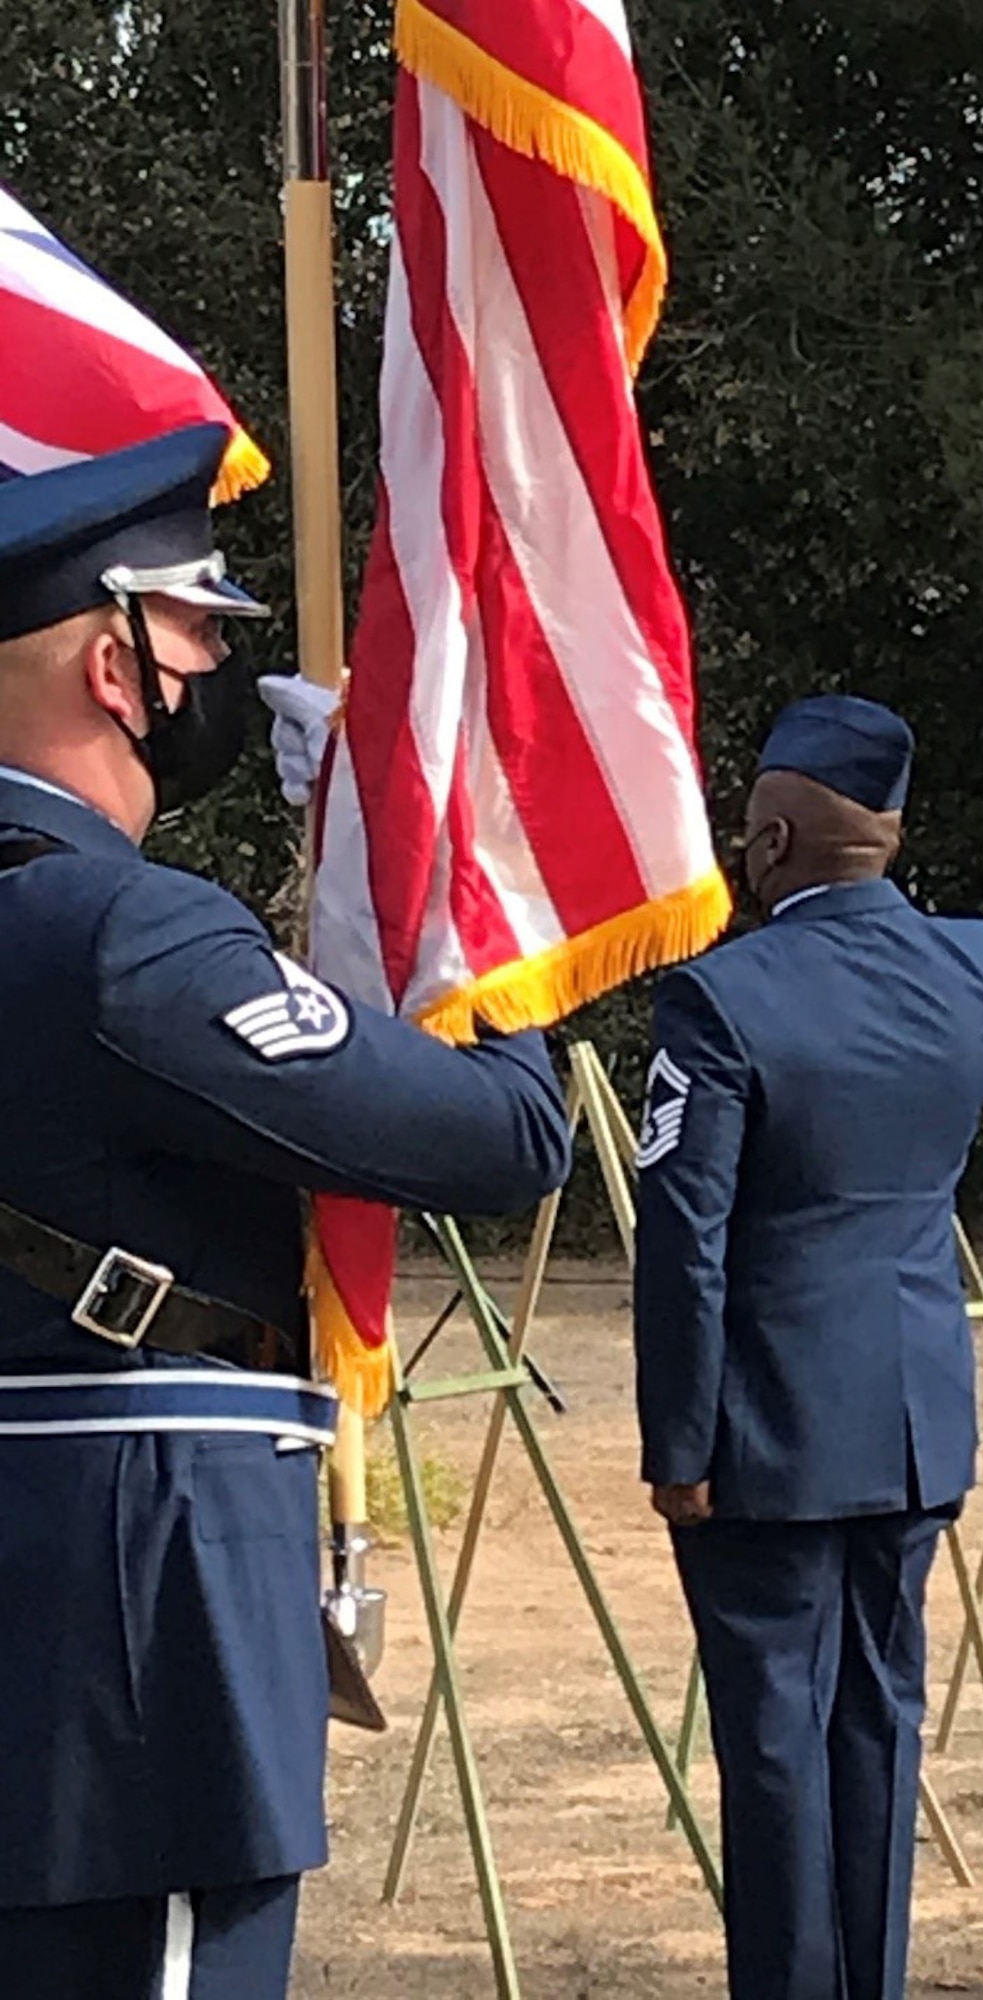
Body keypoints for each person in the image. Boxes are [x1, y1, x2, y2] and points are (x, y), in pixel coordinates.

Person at [0, 423, 572, 1999]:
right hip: (123, 1603)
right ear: (114, 669)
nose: (209, 666)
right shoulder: (128, 937)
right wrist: (430, 876)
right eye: (192, 628)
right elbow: (507, 1139)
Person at [633, 694, 983, 2000]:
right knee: (881, 1722)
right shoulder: (979, 967)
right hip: (915, 1416)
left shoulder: (721, 998)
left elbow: (685, 1238)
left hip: (766, 1432)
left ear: (766, 840)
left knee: (773, 1743)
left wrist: (678, 1439)